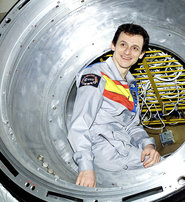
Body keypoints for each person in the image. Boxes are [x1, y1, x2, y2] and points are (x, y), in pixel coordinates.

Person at [67, 24, 161, 187]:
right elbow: (80, 123)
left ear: (141, 55)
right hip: (105, 151)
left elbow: (132, 126)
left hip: (126, 149)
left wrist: (148, 145)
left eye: (134, 48)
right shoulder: (96, 74)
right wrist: (86, 167)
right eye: (123, 44)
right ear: (113, 45)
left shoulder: (130, 85)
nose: (127, 52)